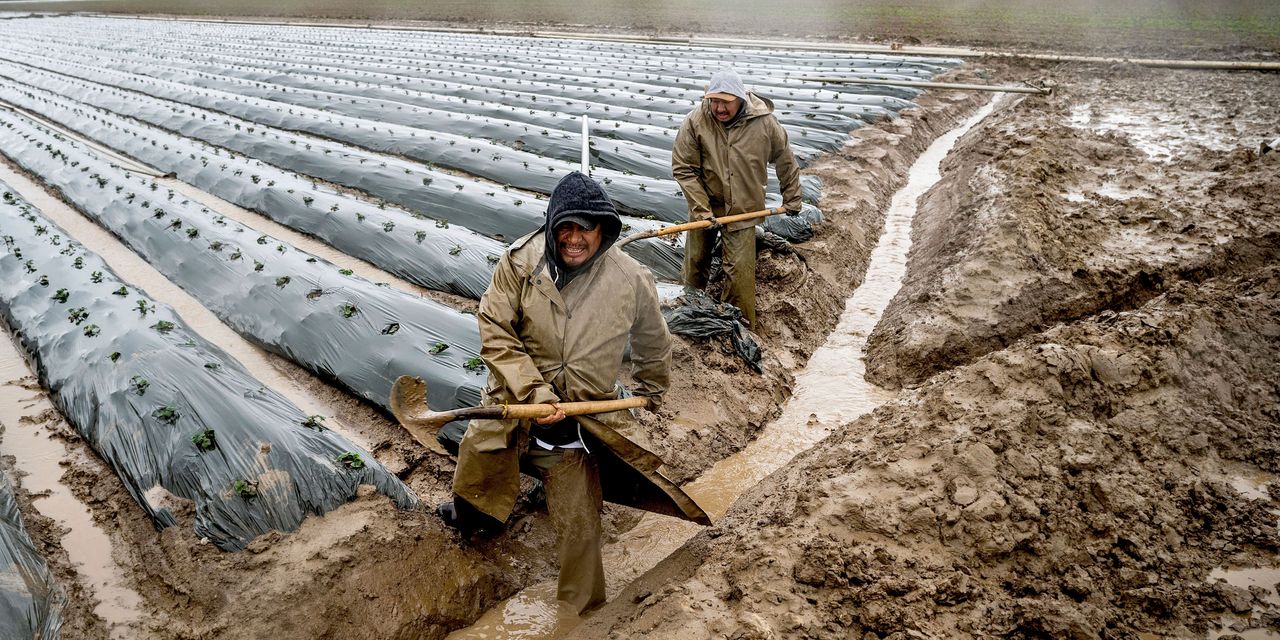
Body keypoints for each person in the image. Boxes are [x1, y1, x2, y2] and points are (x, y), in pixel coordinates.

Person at [437, 171, 709, 614]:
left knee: (580, 529)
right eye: (565, 226)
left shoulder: (630, 278)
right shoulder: (520, 264)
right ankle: (473, 520)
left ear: (604, 229)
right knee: (477, 471)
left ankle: (580, 615)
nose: (574, 237)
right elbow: (495, 329)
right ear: (552, 227)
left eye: (586, 227)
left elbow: (653, 339)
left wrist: (652, 387)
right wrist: (533, 392)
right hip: (513, 400)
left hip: (578, 420)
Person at [672, 67, 804, 331]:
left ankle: (738, 331)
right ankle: (689, 318)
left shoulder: (765, 123)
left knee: (739, 274)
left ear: (740, 98)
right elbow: (683, 167)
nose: (719, 108)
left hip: (743, 209)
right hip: (705, 204)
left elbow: (785, 159)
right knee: (695, 263)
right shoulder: (696, 120)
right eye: (714, 101)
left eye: (726, 102)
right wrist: (702, 210)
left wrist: (792, 196)